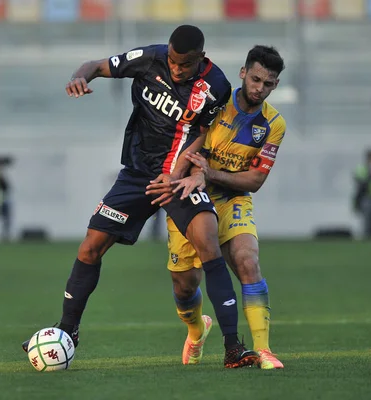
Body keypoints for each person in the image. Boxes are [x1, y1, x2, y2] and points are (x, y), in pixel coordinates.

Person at [22, 25, 258, 368]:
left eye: (185, 65)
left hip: (178, 178)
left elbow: (201, 135)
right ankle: (68, 330)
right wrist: (79, 77)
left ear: (201, 58)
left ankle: (233, 347)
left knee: (208, 242)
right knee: (90, 246)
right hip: (137, 175)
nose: (177, 69)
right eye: (174, 63)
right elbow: (97, 65)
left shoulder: (216, 86)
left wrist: (175, 176)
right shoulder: (150, 58)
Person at [147, 45, 286, 369]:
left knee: (247, 261)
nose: (258, 88)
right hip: (190, 200)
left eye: (267, 84)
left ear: (275, 85)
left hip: (231, 200)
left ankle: (264, 350)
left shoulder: (273, 124)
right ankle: (196, 331)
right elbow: (191, 150)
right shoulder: (216, 105)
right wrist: (197, 174)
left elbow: (254, 180)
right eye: (254, 79)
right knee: (185, 285)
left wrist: (210, 174)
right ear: (242, 73)